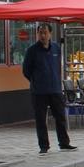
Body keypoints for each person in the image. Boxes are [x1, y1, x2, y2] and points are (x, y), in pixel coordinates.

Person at [22, 23, 77, 154]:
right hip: (39, 91)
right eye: (40, 33)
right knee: (41, 119)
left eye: (45, 32)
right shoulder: (32, 51)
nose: (42, 35)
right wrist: (36, 81)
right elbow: (26, 70)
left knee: (60, 117)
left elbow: (58, 67)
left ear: (50, 34)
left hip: (55, 89)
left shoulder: (56, 49)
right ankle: (44, 146)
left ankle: (64, 143)